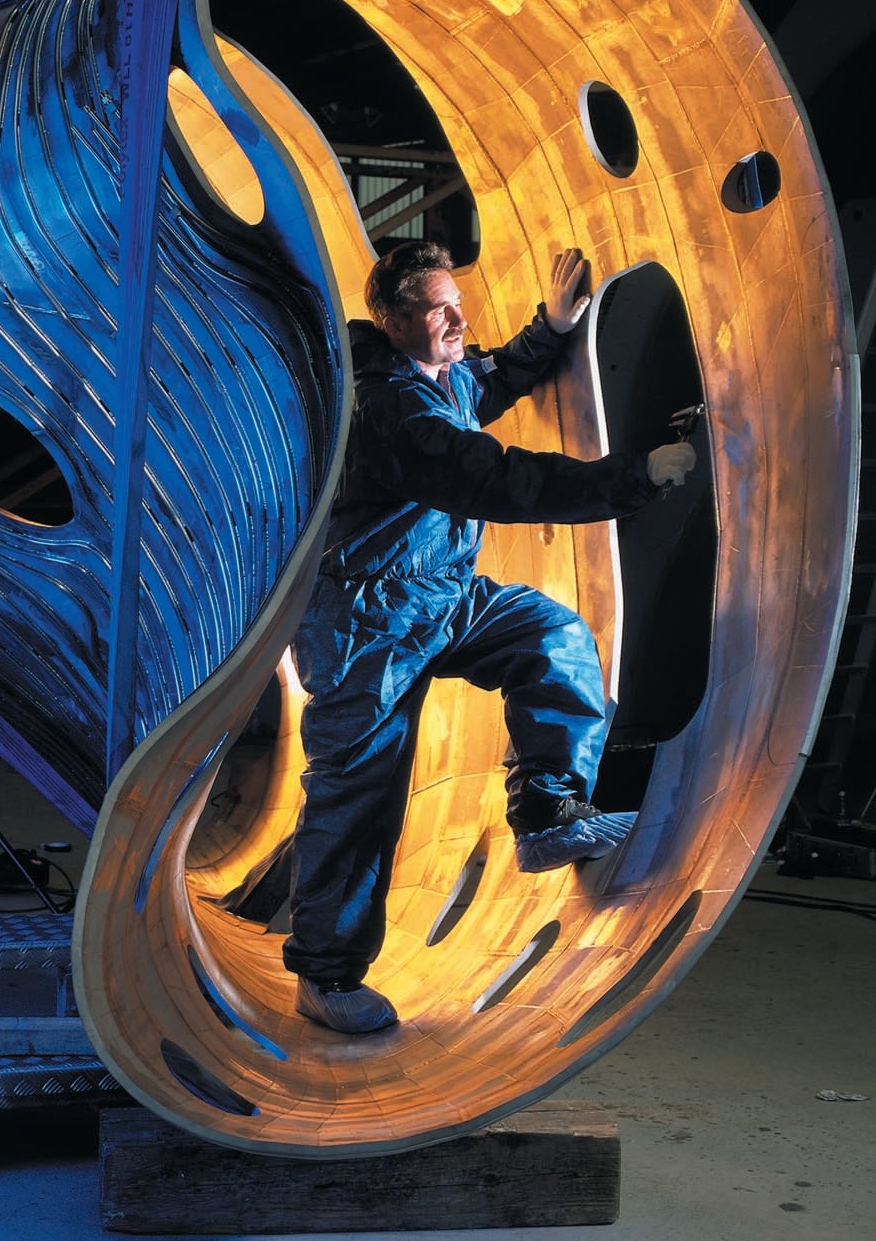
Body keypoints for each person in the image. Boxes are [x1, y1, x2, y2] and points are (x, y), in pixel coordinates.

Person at [284, 239, 695, 1034]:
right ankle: (326, 977)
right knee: (358, 793)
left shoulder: (433, 377)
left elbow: (490, 379)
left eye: (458, 303)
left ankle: (545, 816)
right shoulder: (390, 405)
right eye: (440, 308)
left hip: (439, 594)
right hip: (366, 619)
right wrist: (635, 477)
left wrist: (550, 327)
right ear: (395, 318)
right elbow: (502, 479)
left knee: (554, 639)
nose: (458, 319)